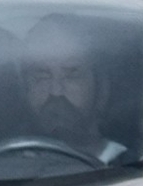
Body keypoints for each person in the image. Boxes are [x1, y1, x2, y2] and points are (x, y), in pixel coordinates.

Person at [18, 16, 129, 163]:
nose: (55, 91)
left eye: (72, 74)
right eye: (42, 75)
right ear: (25, 87)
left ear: (101, 87)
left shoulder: (137, 171)